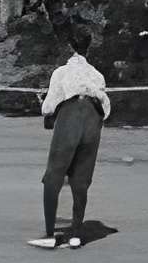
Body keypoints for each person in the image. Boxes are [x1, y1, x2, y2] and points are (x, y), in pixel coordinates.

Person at [31, 45, 113, 249]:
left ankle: (50, 235)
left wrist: (43, 102)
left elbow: (48, 107)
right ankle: (76, 233)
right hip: (94, 119)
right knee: (81, 179)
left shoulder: (61, 72)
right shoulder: (97, 74)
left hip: (72, 115)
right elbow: (105, 107)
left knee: (53, 176)